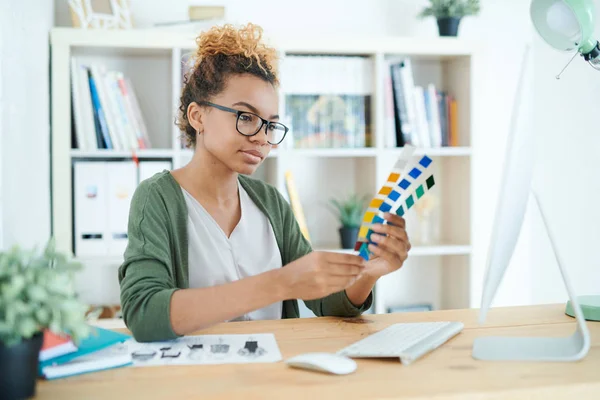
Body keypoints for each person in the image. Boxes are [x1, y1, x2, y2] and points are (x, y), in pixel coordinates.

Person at [118, 23, 411, 342]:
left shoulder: (269, 202)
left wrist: (366, 275)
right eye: (245, 117)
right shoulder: (157, 199)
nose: (261, 137)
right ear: (197, 116)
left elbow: (325, 301)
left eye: (271, 124)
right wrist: (280, 283)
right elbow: (144, 313)